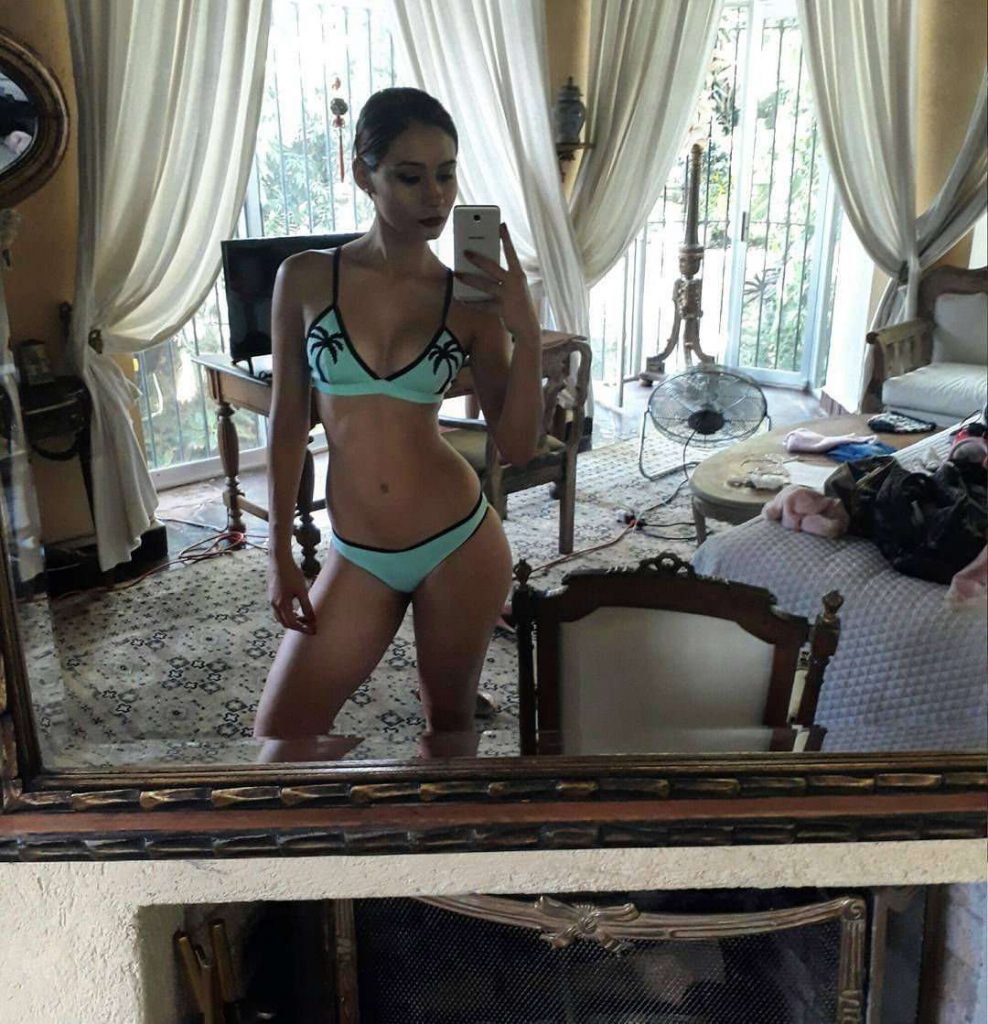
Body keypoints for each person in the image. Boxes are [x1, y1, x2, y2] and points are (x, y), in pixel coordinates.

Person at [253, 88, 543, 761]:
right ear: (365, 175)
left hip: (458, 542)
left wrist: (525, 332)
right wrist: (278, 553)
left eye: (446, 174)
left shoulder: (469, 300)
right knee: (281, 739)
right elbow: (289, 421)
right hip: (358, 552)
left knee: (447, 729)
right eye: (410, 177)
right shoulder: (305, 279)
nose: (435, 196)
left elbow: (519, 446)